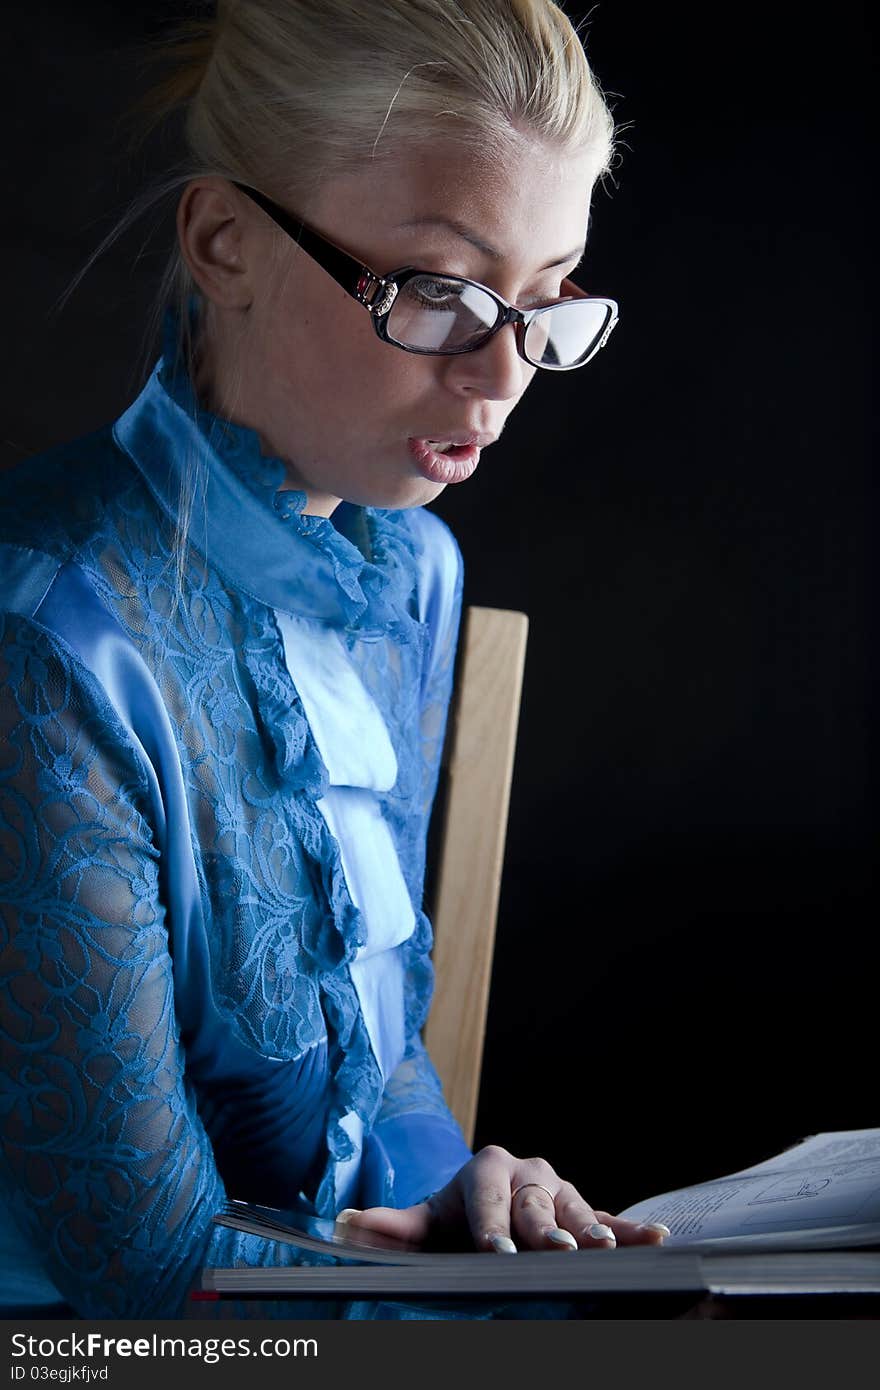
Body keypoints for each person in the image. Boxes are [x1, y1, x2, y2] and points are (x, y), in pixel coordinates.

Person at [0, 0, 666, 1319]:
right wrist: (488, 1315)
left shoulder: (410, 573)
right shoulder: (45, 636)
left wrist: (477, 1195)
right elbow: (136, 1269)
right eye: (437, 292)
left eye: (543, 304)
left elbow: (380, 1051)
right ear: (225, 239)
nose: (498, 384)